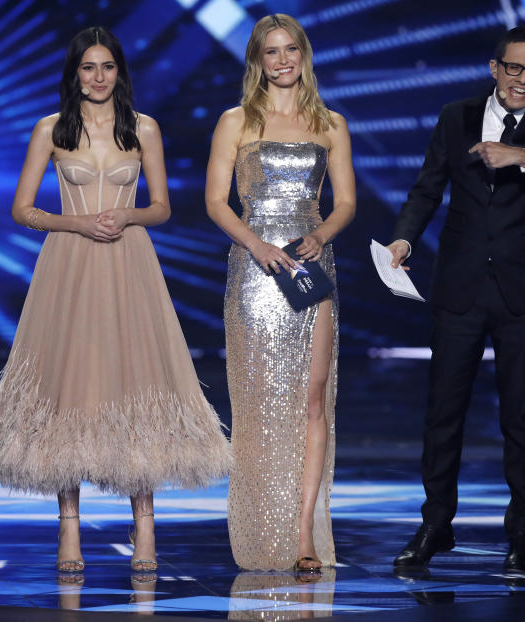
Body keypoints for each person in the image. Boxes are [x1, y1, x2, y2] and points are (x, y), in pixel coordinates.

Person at [0, 26, 230, 574]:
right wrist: (78, 223)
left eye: (107, 66)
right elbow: (22, 209)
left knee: (133, 381)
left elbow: (160, 206)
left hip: (128, 262)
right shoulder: (50, 129)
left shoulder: (144, 129)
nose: (97, 77)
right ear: (74, 74)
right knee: (70, 384)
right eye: (87, 67)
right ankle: (69, 528)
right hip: (68, 262)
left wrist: (127, 215)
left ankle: (145, 524)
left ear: (120, 72)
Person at [387, 26, 525, 574]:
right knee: (443, 413)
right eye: (516, 69)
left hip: (523, 292)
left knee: (520, 416)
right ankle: (436, 525)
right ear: (495, 67)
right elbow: (427, 187)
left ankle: (521, 533)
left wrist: (522, 156)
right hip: (459, 285)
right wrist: (405, 237)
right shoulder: (456, 117)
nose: (524, 81)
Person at [205, 14, 355, 572]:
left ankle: (303, 535)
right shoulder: (236, 121)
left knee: (313, 401)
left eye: (291, 49)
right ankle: (263, 526)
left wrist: (320, 234)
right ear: (258, 61)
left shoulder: (331, 123)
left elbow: (346, 204)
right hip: (256, 273)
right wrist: (258, 247)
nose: (283, 60)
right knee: (260, 404)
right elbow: (217, 202)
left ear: (304, 54)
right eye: (272, 52)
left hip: (312, 271)